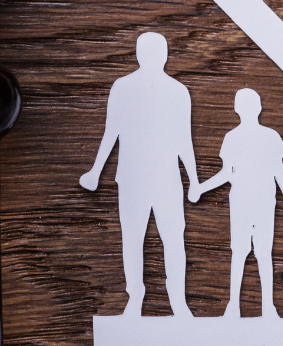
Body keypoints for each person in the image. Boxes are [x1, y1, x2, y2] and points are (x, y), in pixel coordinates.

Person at [80, 32, 201, 318]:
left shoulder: (176, 91)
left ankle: (177, 303)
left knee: (163, 238)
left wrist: (194, 179)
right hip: (137, 177)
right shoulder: (125, 88)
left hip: (164, 176)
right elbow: (112, 131)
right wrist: (95, 171)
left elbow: (184, 139)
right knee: (141, 238)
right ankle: (138, 300)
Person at [192, 87, 283, 318]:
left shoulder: (268, 137)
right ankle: (235, 307)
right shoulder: (234, 138)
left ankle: (267, 307)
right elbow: (227, 173)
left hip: (260, 204)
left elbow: (279, 171)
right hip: (243, 204)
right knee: (242, 253)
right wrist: (201, 188)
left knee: (259, 253)